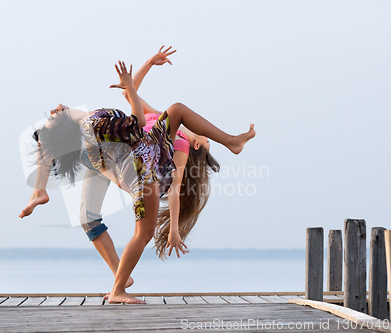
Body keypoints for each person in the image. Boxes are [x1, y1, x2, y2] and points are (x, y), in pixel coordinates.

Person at [20, 58, 255, 304]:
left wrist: (131, 87)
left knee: (143, 232)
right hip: (142, 165)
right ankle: (118, 288)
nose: (55, 109)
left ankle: (118, 286)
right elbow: (138, 118)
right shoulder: (113, 124)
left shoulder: (177, 141)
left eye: (54, 112)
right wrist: (135, 83)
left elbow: (136, 123)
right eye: (54, 115)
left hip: (142, 162)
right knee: (143, 233)